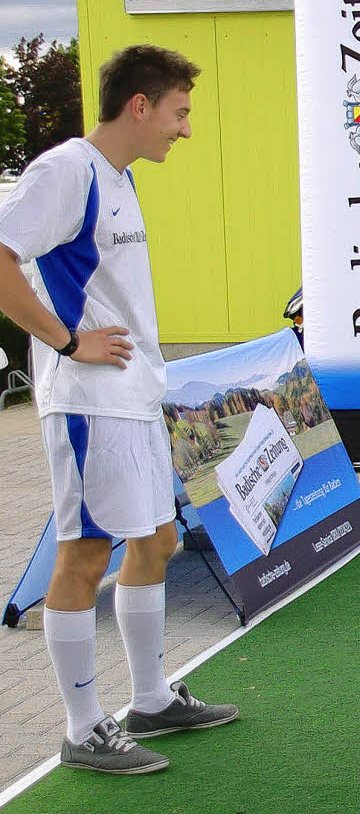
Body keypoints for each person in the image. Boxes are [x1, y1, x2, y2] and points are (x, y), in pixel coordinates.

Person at [0, 45, 238, 775]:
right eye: (180, 112)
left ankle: (151, 699)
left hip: (134, 397)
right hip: (86, 403)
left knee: (158, 540)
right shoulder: (66, 171)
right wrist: (68, 341)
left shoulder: (119, 178)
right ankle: (81, 728)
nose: (186, 129)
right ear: (141, 105)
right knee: (85, 551)